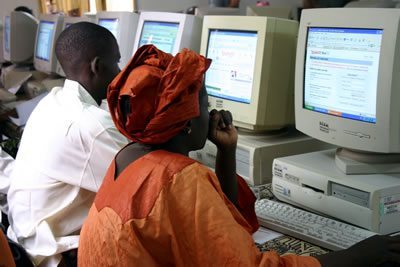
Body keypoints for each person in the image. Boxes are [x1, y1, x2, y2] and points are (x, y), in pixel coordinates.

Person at [78, 45, 400, 266]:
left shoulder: (129, 156)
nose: (211, 110)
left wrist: (227, 151)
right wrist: (359, 256)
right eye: (204, 102)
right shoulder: (178, 178)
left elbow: (222, 229)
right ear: (187, 122)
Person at [7, 22, 128, 267]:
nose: (120, 70)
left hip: (23, 235)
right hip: (50, 255)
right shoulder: (90, 125)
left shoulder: (54, 100)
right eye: (116, 62)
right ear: (97, 66)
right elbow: (149, 179)